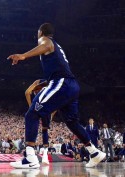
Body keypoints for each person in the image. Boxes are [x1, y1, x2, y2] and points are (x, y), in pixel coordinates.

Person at [7, 23, 106, 168]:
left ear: (41, 32)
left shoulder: (45, 40)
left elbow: (45, 45)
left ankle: (30, 158)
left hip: (61, 83)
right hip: (71, 86)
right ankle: (94, 152)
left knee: (32, 114)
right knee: (72, 122)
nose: (37, 36)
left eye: (37, 33)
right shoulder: (57, 47)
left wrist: (23, 56)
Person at [25, 79, 57, 165]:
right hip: (47, 108)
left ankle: (30, 154)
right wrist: (52, 115)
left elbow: (27, 92)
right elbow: (58, 103)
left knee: (32, 124)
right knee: (44, 130)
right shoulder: (54, 85)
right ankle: (45, 155)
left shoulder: (38, 82)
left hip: (37, 106)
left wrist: (30, 106)